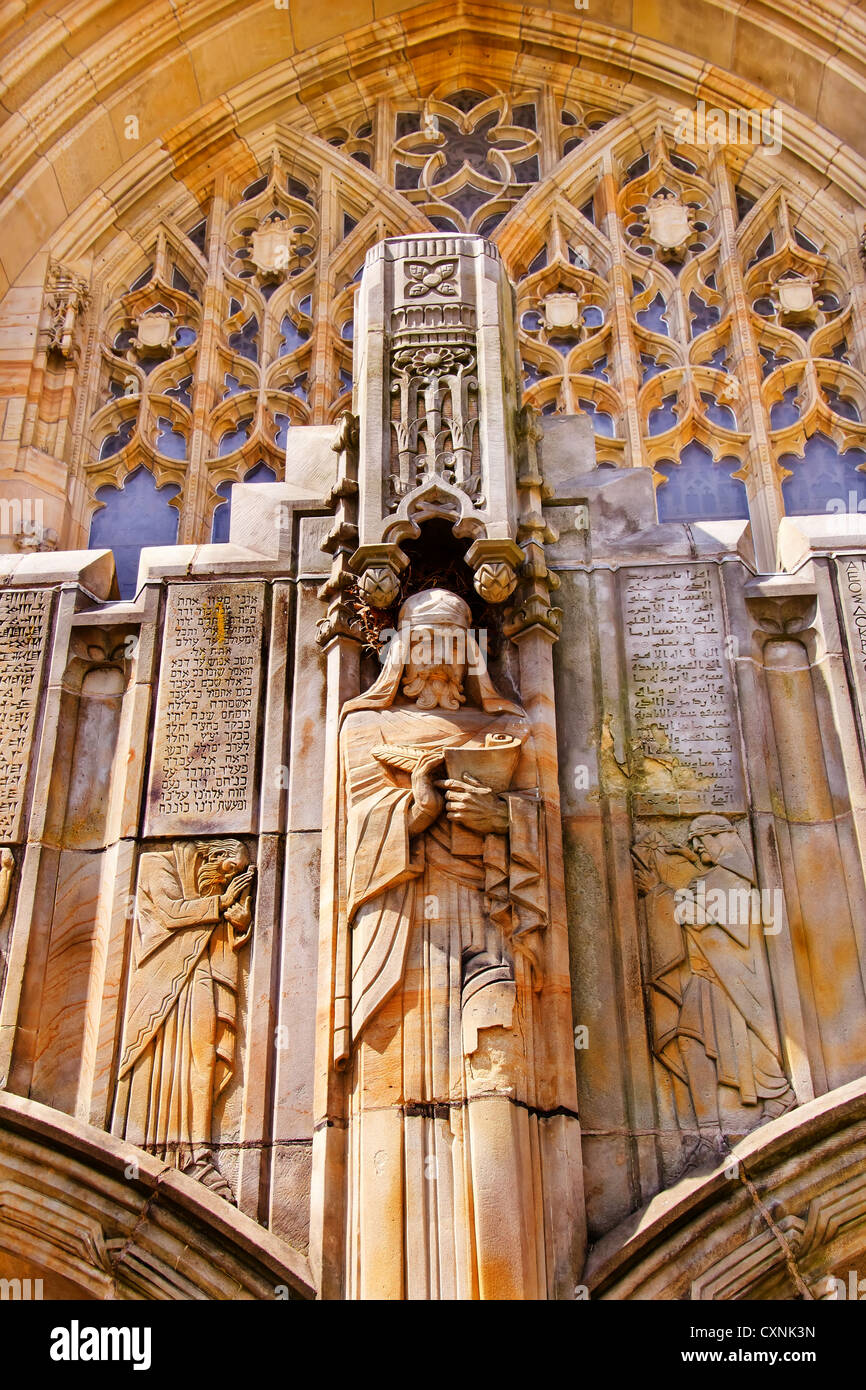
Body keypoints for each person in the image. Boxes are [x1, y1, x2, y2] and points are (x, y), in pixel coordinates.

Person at [336, 588, 548, 1298]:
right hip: (400, 928)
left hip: (486, 918)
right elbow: (352, 844)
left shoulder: (506, 726)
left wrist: (502, 819)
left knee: (495, 1067)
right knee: (394, 1081)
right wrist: (415, 811)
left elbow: (546, 834)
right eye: (421, 639)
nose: (437, 655)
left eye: (452, 639)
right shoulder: (363, 729)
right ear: (399, 649)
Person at [634, 814, 795, 1158]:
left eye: (700, 842)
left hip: (730, 982)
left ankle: (778, 1096)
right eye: (693, 845)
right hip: (707, 979)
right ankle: (708, 1131)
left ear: (721, 837)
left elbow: (698, 919)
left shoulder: (732, 881)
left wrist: (659, 891)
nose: (697, 849)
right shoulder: (713, 879)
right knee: (692, 1042)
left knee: (742, 1046)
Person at [113, 839, 254, 1200]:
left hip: (204, 967)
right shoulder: (155, 863)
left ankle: (198, 1154)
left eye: (235, 874)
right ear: (213, 853)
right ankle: (143, 1148)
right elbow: (171, 912)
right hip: (162, 976)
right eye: (229, 868)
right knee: (156, 1061)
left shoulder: (216, 888)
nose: (229, 876)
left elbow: (230, 923)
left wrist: (238, 918)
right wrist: (222, 904)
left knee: (204, 1055)